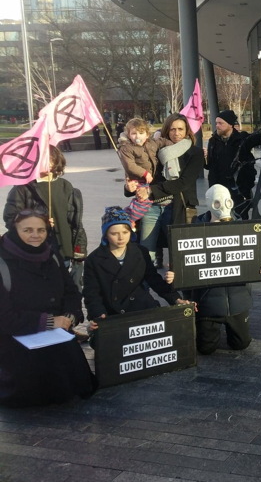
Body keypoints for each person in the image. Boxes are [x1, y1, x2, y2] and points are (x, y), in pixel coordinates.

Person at [0, 208, 96, 407]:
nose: (35, 235)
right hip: (17, 340)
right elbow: (5, 318)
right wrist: (49, 321)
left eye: (41, 230)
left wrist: (70, 316)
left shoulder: (50, 254)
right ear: (14, 229)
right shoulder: (3, 261)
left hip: (56, 334)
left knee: (77, 385)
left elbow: (71, 290)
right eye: (27, 230)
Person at [166, 185, 261, 354]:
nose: (223, 206)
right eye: (217, 203)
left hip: (237, 300)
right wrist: (176, 276)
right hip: (208, 303)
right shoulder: (192, 232)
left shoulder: (244, 229)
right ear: (209, 204)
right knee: (205, 348)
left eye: (227, 201)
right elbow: (186, 264)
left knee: (241, 344)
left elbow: (253, 259)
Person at [83, 207, 186, 329]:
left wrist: (175, 299)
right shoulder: (94, 259)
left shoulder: (140, 252)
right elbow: (91, 293)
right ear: (105, 235)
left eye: (125, 232)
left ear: (131, 232)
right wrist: (98, 314)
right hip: (113, 314)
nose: (121, 237)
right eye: (114, 233)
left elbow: (154, 280)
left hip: (142, 308)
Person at [3, 146, 87, 291]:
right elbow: (11, 218)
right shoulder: (23, 188)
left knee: (65, 289)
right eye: (42, 159)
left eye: (50, 159)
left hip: (64, 248)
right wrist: (37, 221)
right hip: (37, 249)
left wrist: (79, 248)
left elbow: (75, 221)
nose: (47, 163)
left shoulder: (66, 186)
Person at [127, 114, 204, 264]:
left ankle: (178, 285)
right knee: (146, 252)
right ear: (166, 131)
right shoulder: (155, 150)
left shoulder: (195, 153)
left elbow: (183, 182)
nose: (177, 133)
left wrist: (151, 190)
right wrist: (129, 186)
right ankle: (144, 285)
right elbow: (143, 176)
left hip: (177, 207)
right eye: (172, 129)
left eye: (180, 129)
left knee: (179, 253)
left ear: (187, 130)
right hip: (151, 206)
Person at [117, 118, 172, 221]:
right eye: (134, 133)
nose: (137, 136)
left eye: (141, 133)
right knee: (142, 201)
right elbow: (130, 166)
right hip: (139, 179)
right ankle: (129, 218)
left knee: (142, 201)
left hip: (153, 181)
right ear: (128, 135)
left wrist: (173, 146)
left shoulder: (151, 143)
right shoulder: (127, 148)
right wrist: (145, 173)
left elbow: (163, 141)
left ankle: (131, 215)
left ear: (147, 134)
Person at [205, 110, 256, 219]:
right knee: (219, 218)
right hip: (218, 189)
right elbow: (209, 166)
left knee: (241, 218)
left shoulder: (242, 139)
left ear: (230, 125)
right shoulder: (213, 141)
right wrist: (204, 159)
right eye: (216, 123)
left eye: (221, 123)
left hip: (239, 189)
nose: (217, 126)